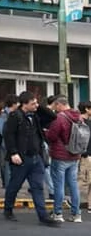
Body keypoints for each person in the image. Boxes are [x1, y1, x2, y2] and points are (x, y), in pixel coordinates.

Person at [2, 91, 58, 226]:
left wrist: (38, 106)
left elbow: (52, 116)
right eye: (33, 103)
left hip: (36, 158)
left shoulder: (36, 115)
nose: (36, 105)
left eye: (36, 103)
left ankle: (43, 216)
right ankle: (8, 210)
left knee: (38, 187)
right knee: (14, 186)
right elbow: (8, 135)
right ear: (24, 104)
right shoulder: (15, 116)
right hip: (21, 158)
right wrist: (13, 152)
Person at [45, 95, 82, 223]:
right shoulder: (78, 116)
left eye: (56, 106)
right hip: (75, 155)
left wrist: (45, 132)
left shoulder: (60, 118)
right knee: (73, 185)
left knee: (58, 185)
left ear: (60, 104)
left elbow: (52, 136)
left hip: (60, 156)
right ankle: (76, 214)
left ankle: (58, 213)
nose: (55, 109)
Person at [0, 94, 18, 188]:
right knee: (5, 165)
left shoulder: (14, 114)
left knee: (8, 165)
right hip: (5, 142)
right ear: (13, 104)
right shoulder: (4, 115)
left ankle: (8, 184)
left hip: (11, 142)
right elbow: (2, 131)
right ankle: (7, 184)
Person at [77, 101, 91, 212]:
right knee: (83, 180)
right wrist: (83, 153)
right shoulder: (80, 122)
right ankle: (74, 202)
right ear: (87, 109)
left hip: (88, 154)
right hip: (85, 156)